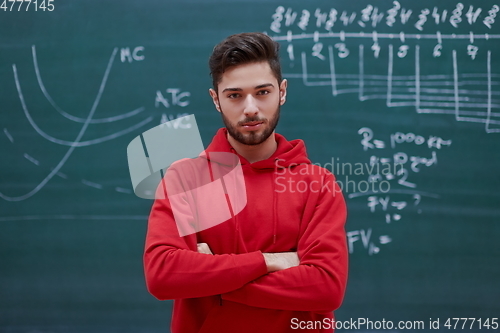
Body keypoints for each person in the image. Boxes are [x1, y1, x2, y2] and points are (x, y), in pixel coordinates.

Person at [144, 32, 348, 333]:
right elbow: (163, 275)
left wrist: (213, 280)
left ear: (282, 92)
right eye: (235, 95)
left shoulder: (318, 184)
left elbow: (326, 287)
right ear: (216, 100)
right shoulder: (186, 178)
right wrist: (269, 261)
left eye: (262, 92)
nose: (250, 108)